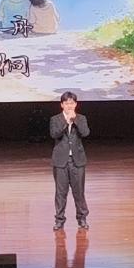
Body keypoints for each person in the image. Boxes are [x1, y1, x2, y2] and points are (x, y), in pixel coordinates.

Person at [50, 91, 90, 230]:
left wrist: (75, 120)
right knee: (61, 193)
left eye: (72, 103)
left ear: (76, 104)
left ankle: (82, 219)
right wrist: (66, 121)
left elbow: (85, 133)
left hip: (77, 161)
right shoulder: (55, 119)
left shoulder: (81, 118)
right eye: (66, 103)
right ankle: (59, 220)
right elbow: (54, 134)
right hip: (61, 161)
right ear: (62, 105)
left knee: (79, 192)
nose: (69, 106)